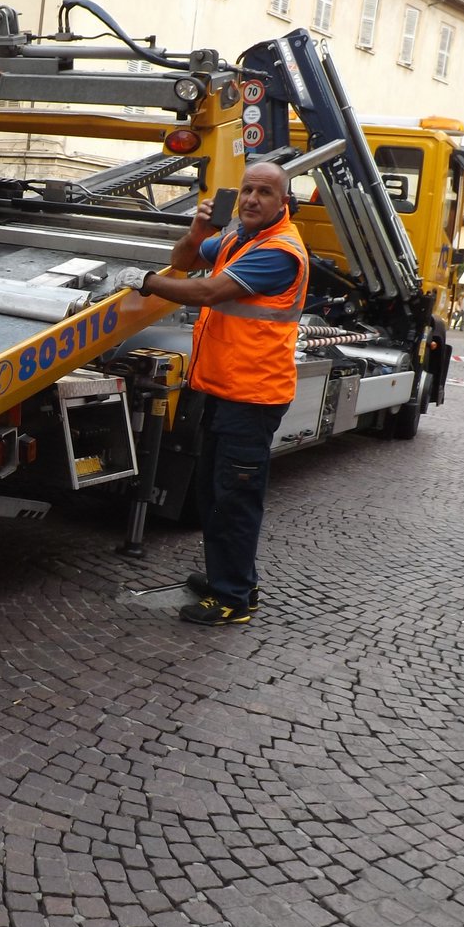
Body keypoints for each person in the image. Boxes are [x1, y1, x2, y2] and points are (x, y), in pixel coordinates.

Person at [112, 160, 307, 626]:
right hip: (224, 388)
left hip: (251, 396)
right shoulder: (240, 237)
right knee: (215, 493)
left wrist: (142, 281)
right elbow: (184, 260)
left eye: (264, 192)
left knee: (233, 499)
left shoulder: (278, 251)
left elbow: (204, 292)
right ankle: (234, 577)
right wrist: (198, 228)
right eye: (246, 191)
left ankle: (233, 598)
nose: (252, 199)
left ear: (284, 203)